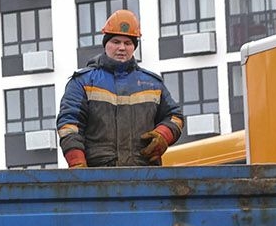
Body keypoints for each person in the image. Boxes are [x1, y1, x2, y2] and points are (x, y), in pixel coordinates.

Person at [56, 9, 185, 167]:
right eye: (116, 42)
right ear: (106, 45)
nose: (122, 48)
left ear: (134, 47)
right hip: (98, 176)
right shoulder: (82, 82)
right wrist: (77, 164)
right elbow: (69, 125)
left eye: (128, 43)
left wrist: (162, 136)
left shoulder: (153, 84)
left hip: (145, 176)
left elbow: (175, 117)